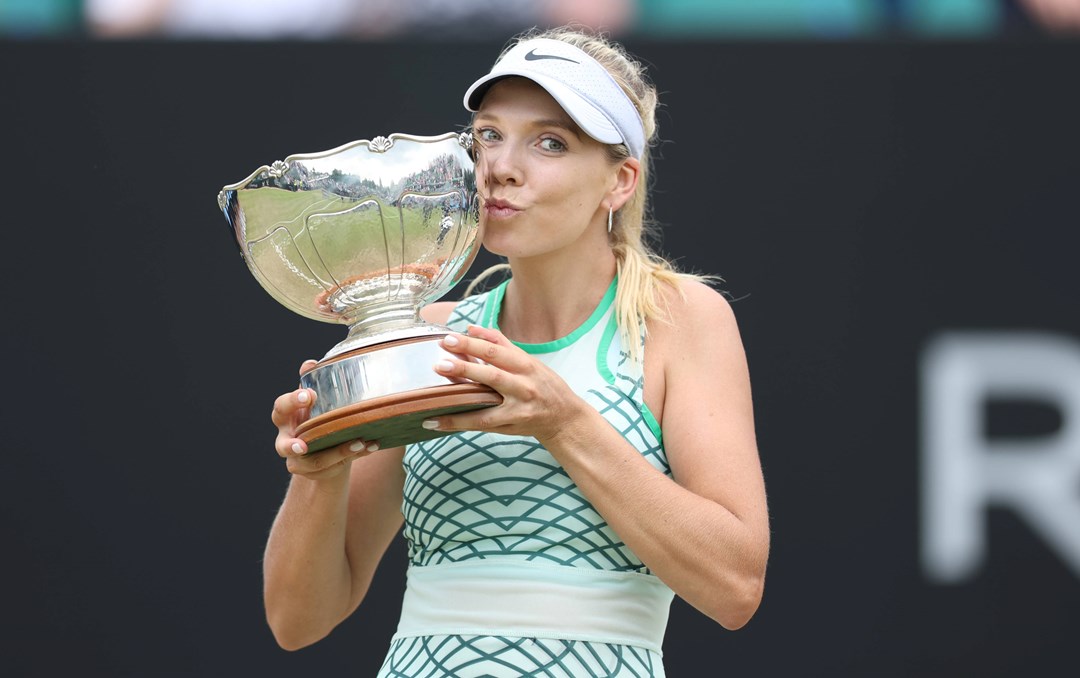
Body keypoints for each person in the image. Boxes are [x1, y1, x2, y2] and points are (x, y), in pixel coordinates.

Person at [264, 26, 770, 677]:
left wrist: (563, 421)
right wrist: (319, 473)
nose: (500, 165)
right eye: (488, 134)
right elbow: (298, 621)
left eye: (549, 142)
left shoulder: (681, 321)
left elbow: (734, 589)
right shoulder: (431, 334)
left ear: (619, 182)